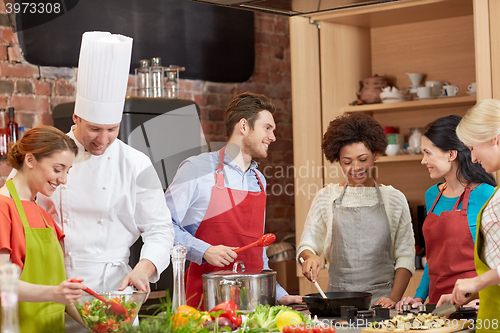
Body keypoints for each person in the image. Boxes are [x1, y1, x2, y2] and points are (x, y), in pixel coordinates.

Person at [20, 32, 175, 330]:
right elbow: (14, 204)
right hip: (53, 288)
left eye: (112, 129)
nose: (102, 140)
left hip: (115, 294)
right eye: (94, 129)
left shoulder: (135, 163)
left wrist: (144, 268)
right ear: (76, 117)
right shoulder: (46, 155)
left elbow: (159, 229)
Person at [165, 92, 302, 308]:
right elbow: (162, 227)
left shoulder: (259, 180)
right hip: (206, 305)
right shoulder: (196, 169)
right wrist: (204, 251)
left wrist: (277, 293)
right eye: (268, 128)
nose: (273, 137)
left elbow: (258, 250)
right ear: (244, 126)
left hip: (254, 304)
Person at [297, 112, 415, 309]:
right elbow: (307, 244)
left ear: (375, 154)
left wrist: (393, 298)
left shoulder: (394, 199)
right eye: (347, 161)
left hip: (382, 303)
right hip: (337, 303)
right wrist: (310, 258)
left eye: (362, 159)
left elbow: (406, 255)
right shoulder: (326, 197)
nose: (356, 167)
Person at [396, 115, 495, 311]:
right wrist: (418, 298)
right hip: (438, 306)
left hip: (474, 304)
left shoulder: (486, 194)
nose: (424, 161)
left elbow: (495, 260)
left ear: (451, 154)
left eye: (428, 153)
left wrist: (482, 295)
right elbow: (433, 260)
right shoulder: (432, 195)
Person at [0, 126, 86, 332]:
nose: (63, 180)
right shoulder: (3, 207)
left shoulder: (43, 213)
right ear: (30, 160)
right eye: (58, 169)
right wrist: (55, 293)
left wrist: (98, 324)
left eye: (67, 171)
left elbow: (59, 289)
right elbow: (2, 283)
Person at [436, 99, 500, 330]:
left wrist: (477, 281)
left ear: (495, 138)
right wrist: (467, 298)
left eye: (472, 147)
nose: (471, 158)